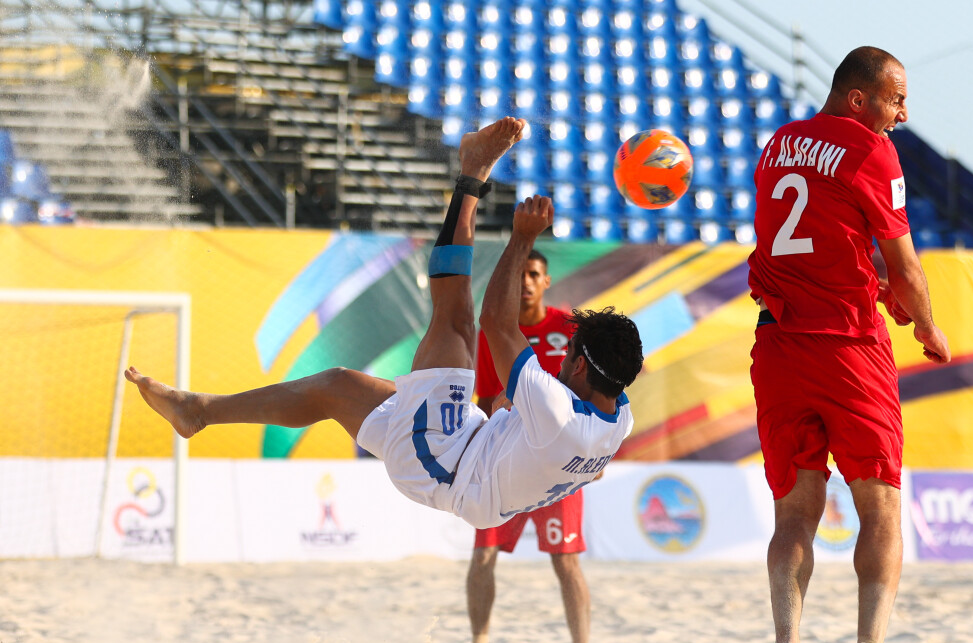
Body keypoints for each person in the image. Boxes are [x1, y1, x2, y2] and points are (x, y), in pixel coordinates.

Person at [125, 117, 644, 535]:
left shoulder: (562, 411)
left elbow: (495, 322)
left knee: (459, 321)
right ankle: (199, 412)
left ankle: (472, 172)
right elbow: (587, 464)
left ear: (577, 363)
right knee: (336, 387)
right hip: (471, 456)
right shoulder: (616, 418)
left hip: (447, 463)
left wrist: (522, 238)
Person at [747, 47, 952, 643]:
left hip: (778, 346)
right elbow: (906, 265)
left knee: (795, 515)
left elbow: (814, 237)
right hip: (847, 349)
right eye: (896, 100)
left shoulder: (780, 144)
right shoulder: (870, 150)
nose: (903, 114)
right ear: (860, 100)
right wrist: (926, 323)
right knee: (882, 507)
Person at [456, 250, 594, 643]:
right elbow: (483, 399)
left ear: (547, 280)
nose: (526, 283)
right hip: (506, 464)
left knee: (566, 563)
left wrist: (594, 453)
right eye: (520, 276)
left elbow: (597, 390)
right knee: (482, 556)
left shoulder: (569, 329)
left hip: (558, 466)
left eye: (533, 275)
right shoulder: (495, 333)